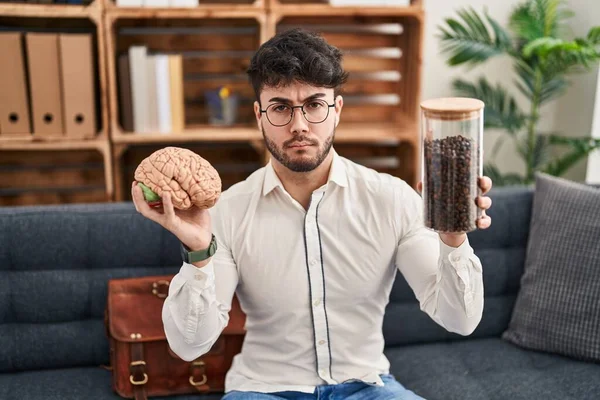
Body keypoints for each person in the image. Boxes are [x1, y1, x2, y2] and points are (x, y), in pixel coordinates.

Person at [131, 28, 493, 400]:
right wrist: (198, 255)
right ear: (259, 115)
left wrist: (453, 239)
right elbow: (189, 347)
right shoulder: (227, 210)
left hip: (367, 387)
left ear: (336, 111)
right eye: (281, 107)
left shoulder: (393, 199)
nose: (299, 125)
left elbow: (459, 320)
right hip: (263, 389)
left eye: (315, 104)